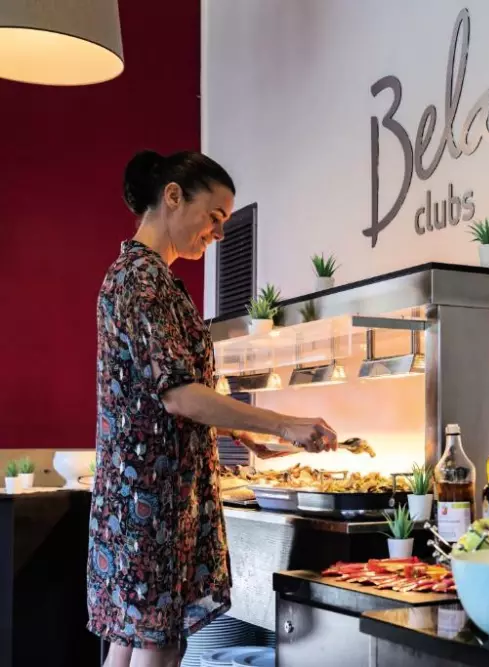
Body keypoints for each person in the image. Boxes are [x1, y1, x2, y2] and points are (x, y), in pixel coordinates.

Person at [87, 150, 336, 667]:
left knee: (131, 639)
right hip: (151, 503)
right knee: (159, 642)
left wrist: (243, 436)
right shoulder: (142, 279)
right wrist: (286, 424)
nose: (219, 234)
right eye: (215, 217)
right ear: (173, 196)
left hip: (145, 496)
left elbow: (164, 391)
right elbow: (177, 394)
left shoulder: (141, 275)